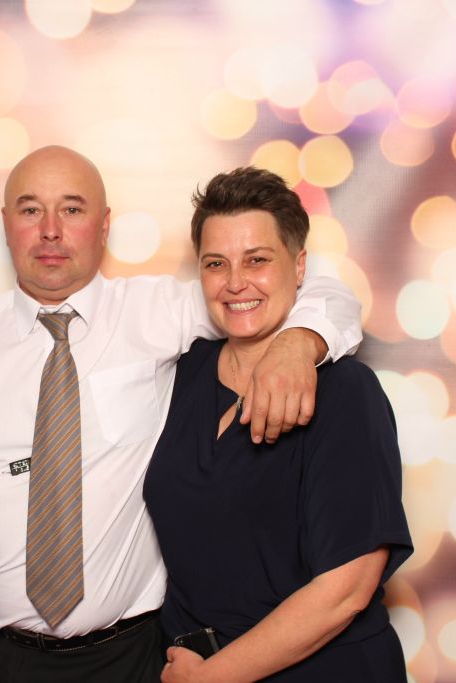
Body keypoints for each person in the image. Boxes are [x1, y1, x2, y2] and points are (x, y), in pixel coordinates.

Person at [0, 146, 364, 683]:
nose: (50, 230)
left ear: (104, 225)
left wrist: (298, 342)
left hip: (128, 658)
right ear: (6, 224)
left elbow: (312, 290)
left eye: (72, 209)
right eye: (31, 210)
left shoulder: (160, 313)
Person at [144, 166, 413, 683]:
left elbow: (346, 590)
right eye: (216, 263)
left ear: (299, 266)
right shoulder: (183, 373)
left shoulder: (346, 392)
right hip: (192, 663)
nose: (235, 282)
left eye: (258, 260)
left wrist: (211, 678)